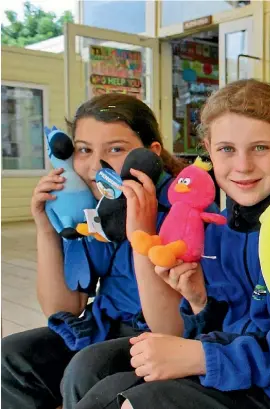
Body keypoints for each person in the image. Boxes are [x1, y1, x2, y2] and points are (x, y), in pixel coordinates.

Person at [72, 79, 270, 409]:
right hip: (231, 371)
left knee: (143, 401)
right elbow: (216, 328)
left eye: (260, 148)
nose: (243, 165)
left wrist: (203, 356)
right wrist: (199, 301)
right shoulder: (217, 229)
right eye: (227, 149)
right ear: (207, 149)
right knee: (90, 373)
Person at [1, 94, 184, 409]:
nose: (93, 166)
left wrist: (140, 230)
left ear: (150, 153)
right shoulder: (93, 209)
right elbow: (64, 307)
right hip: (105, 326)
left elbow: (172, 327)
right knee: (11, 357)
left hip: (160, 337)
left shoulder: (183, 209)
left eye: (115, 149)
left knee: (86, 369)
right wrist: (47, 228)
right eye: (84, 150)